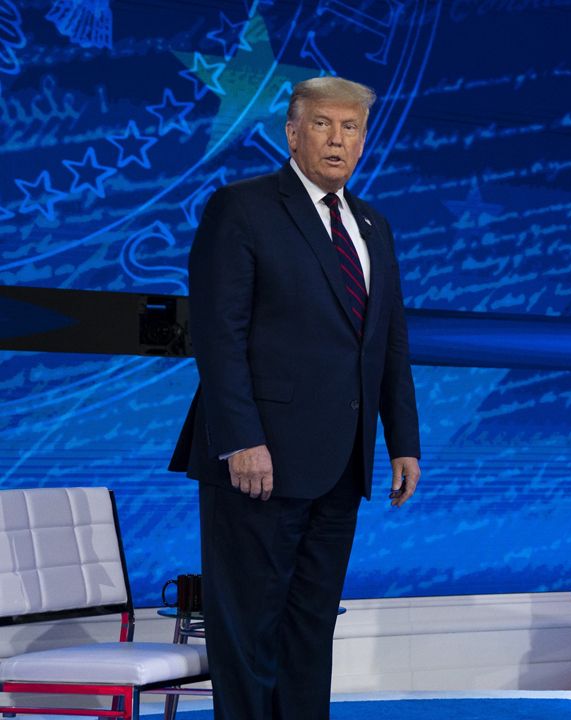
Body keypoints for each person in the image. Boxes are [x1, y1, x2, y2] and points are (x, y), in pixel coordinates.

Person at [170, 76, 421, 720]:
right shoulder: (244, 207)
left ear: (364, 140)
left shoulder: (373, 224)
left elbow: (387, 339)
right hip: (259, 461)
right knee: (250, 627)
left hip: (341, 460)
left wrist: (404, 442)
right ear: (293, 131)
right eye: (323, 125)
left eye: (351, 128)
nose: (338, 140)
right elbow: (218, 337)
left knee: (311, 627)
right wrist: (241, 440)